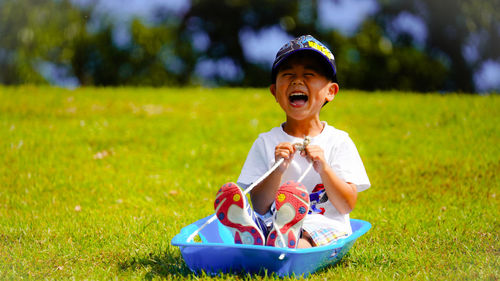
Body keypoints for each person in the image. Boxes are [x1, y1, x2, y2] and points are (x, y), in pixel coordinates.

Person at [214, 35, 370, 248]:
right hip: (272, 227)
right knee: (260, 221)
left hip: (325, 226)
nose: (297, 81)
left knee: (304, 239)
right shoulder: (266, 143)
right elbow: (260, 205)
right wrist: (277, 169)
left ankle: (283, 246)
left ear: (330, 91)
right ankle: (255, 234)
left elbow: (346, 205)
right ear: (275, 92)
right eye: (288, 75)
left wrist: (324, 168)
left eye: (309, 74)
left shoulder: (338, 142)